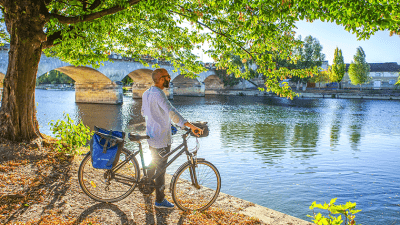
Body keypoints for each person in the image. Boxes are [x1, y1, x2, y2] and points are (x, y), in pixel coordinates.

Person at [141, 68, 203, 209]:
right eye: (168, 77)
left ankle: (147, 188)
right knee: (161, 169)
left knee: (153, 163)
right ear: (161, 78)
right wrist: (189, 125)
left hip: (151, 134)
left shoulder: (146, 93)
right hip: (161, 137)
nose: (170, 79)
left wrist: (166, 122)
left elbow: (145, 112)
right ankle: (160, 200)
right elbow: (171, 111)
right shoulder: (159, 94)